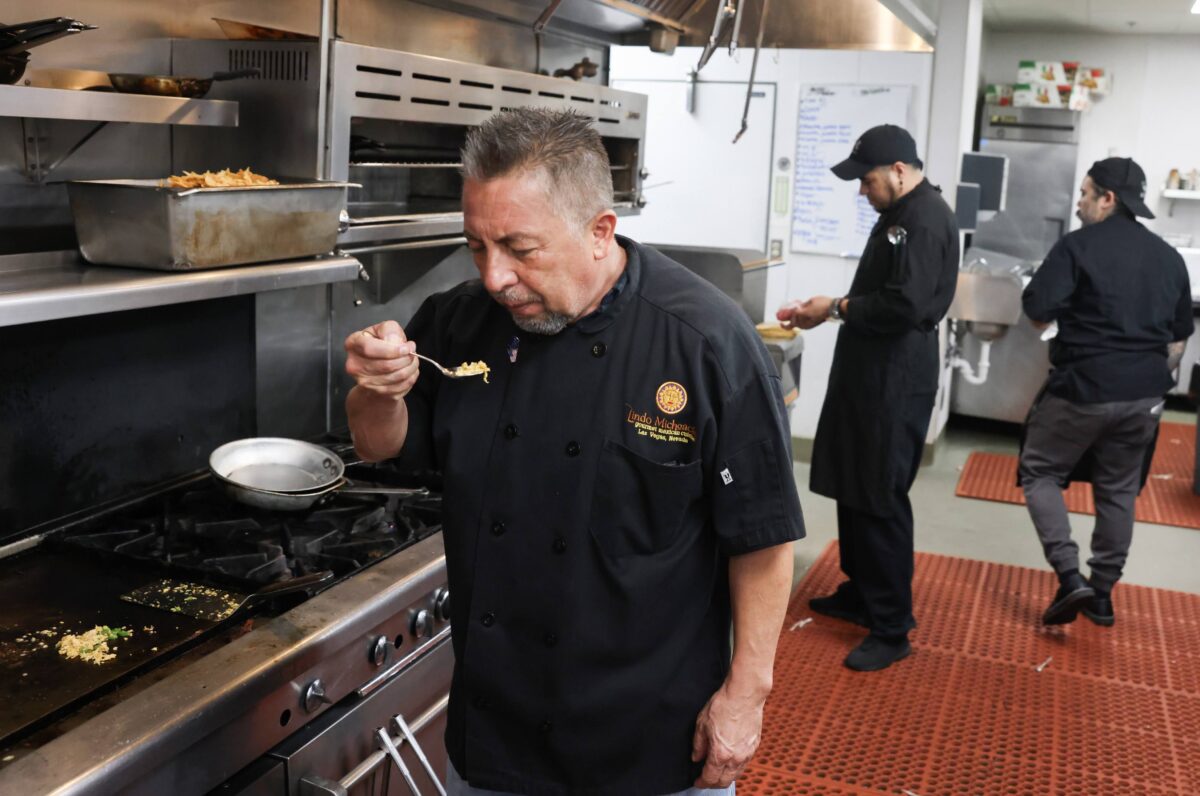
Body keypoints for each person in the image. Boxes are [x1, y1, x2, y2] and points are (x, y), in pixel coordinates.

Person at [343, 108, 805, 795]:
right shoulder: (457, 320)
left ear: (600, 232)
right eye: (477, 247)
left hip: (648, 740)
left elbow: (762, 540)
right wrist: (377, 389)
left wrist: (747, 695)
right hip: (494, 736)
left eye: (520, 249)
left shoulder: (704, 341)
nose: (496, 277)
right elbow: (380, 446)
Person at [776, 124, 958, 672]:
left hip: (895, 380)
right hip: (871, 374)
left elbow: (904, 306)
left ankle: (892, 625)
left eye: (869, 181)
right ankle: (861, 592)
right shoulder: (899, 216)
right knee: (854, 483)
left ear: (899, 172)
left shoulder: (923, 219)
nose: (863, 191)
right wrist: (831, 308)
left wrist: (835, 306)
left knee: (878, 496)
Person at [1019, 157, 1193, 627]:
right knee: (1118, 490)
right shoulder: (1169, 258)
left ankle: (1069, 575)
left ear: (1107, 198)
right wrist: (1147, 380)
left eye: (1084, 193)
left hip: (1083, 388)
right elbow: (1178, 340)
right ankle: (1101, 594)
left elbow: (1036, 308)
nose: (1078, 204)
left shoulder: (1077, 247)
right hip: (1146, 396)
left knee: (1039, 471)